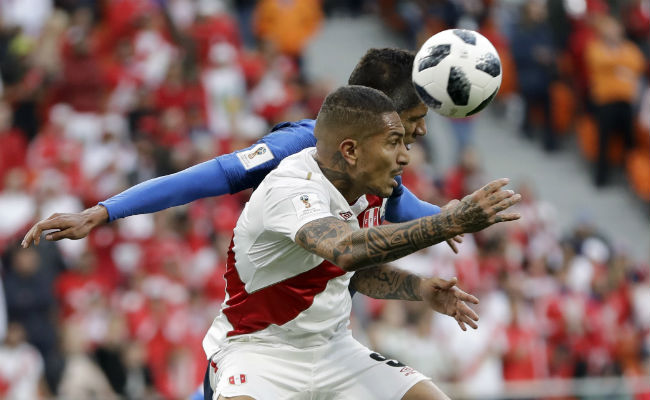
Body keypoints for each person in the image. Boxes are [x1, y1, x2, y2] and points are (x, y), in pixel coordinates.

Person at [202, 85, 520, 399]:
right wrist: (451, 221)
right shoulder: (290, 188)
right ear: (351, 151)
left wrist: (420, 289)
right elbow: (347, 251)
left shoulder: (365, 190)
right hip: (258, 351)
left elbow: (356, 272)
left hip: (334, 349)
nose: (404, 157)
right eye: (393, 143)